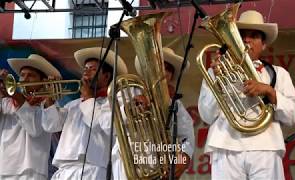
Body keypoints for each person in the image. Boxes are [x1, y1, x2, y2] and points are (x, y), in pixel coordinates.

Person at [198, 10, 295, 180]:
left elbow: (292, 115)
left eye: (254, 36)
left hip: (265, 147)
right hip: (225, 145)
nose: (246, 40)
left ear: (264, 44)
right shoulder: (216, 71)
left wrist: (268, 90)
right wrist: (218, 81)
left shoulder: (278, 74)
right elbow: (207, 116)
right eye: (241, 35)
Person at [41, 47, 128, 180]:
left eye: (92, 69)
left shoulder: (113, 102)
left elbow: (99, 123)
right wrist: (49, 100)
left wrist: (88, 97)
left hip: (93, 169)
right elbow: (52, 126)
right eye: (85, 69)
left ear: (106, 76)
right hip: (64, 170)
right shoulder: (73, 104)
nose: (86, 73)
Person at [112, 47, 195, 179]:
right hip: (130, 162)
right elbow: (110, 124)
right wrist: (131, 108)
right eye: (159, 66)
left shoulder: (175, 104)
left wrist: (184, 158)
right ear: (147, 69)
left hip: (161, 166)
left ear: (172, 76)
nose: (163, 72)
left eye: (168, 69)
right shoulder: (128, 91)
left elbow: (187, 137)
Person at [0, 54, 61, 179]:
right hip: (5, 167)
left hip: (33, 170)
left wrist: (16, 96)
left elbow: (34, 130)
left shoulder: (48, 104)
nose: (24, 79)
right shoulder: (6, 102)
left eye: (31, 76)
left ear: (43, 81)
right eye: (22, 75)